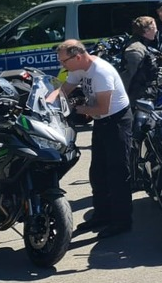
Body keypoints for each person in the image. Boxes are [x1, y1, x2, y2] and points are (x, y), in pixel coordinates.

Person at [54, 40, 133, 237]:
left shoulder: (100, 73)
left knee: (117, 173)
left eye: (64, 61)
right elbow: (63, 90)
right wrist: (44, 103)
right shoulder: (80, 68)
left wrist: (76, 108)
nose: (62, 65)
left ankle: (121, 222)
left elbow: (102, 109)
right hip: (101, 122)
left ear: (77, 56)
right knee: (97, 172)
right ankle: (102, 215)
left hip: (116, 122)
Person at [119, 16, 160, 103]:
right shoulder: (136, 49)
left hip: (145, 92)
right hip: (138, 96)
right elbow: (128, 76)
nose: (156, 31)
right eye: (155, 28)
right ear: (146, 31)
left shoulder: (143, 44)